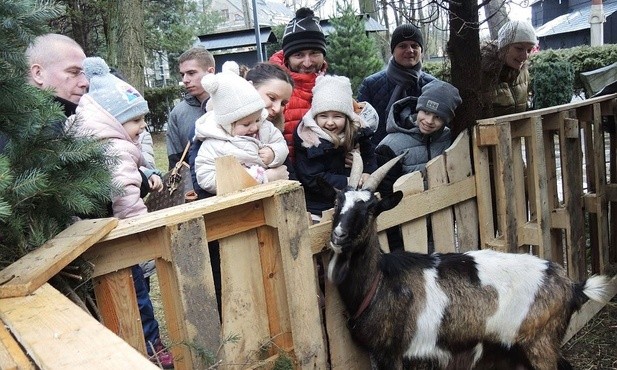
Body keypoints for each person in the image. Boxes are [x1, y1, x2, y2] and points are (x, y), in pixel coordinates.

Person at [67, 57, 173, 369]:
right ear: (112, 121)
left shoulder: (94, 143)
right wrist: (146, 244)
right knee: (136, 298)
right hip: (121, 243)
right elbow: (127, 200)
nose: (143, 127)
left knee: (117, 300)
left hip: (90, 240)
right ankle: (151, 348)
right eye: (136, 121)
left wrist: (145, 172)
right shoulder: (115, 149)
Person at [189, 62, 295, 199]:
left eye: (283, 103)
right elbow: (204, 184)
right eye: (272, 97)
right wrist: (264, 178)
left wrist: (274, 154)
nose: (277, 108)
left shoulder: (268, 128)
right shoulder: (208, 133)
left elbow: (288, 172)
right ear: (250, 88)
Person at [294, 75, 377, 221]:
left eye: (337, 116)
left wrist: (367, 171)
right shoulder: (309, 140)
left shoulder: (358, 131)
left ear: (346, 117)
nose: (330, 122)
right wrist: (350, 180)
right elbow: (312, 178)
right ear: (315, 117)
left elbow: (369, 154)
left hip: (351, 200)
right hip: (319, 205)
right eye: (323, 116)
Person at [357, 23, 437, 146]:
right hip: (380, 157)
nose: (410, 50)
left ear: (421, 50)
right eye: (402, 46)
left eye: (414, 45)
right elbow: (360, 128)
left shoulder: (433, 86)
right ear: (393, 50)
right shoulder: (371, 85)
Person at [269, 7, 328, 162]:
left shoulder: (333, 89)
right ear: (287, 58)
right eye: (299, 55)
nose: (307, 63)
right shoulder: (269, 92)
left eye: (314, 53)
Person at [166, 47, 215, 170]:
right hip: (195, 186)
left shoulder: (232, 103)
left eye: (191, 73)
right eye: (182, 74)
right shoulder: (177, 114)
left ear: (210, 72)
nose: (185, 80)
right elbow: (175, 163)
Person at [479, 19, 537, 118]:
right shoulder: (481, 74)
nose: (525, 56)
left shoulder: (523, 73)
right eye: (519, 48)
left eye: (529, 50)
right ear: (503, 46)